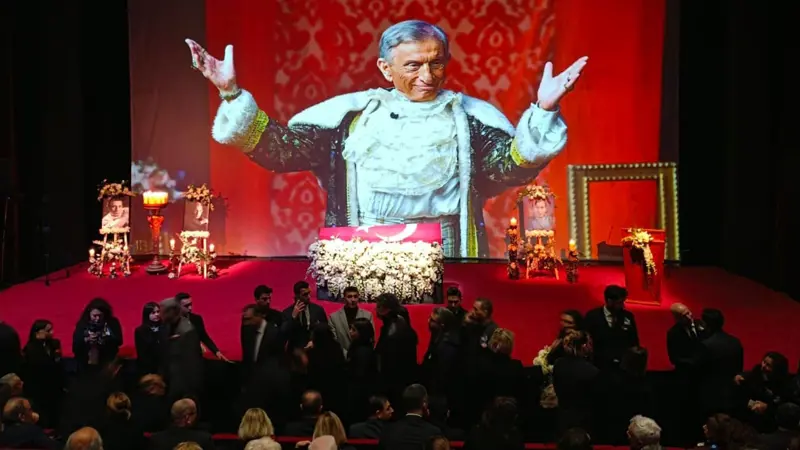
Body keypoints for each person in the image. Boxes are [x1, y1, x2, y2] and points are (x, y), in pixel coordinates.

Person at [186, 20, 587, 258]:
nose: (427, 76)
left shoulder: (469, 119)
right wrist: (231, 93)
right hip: (364, 248)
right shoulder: (350, 117)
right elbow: (280, 151)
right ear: (385, 68)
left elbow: (509, 166)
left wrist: (544, 109)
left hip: (448, 249)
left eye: (436, 63)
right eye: (413, 65)